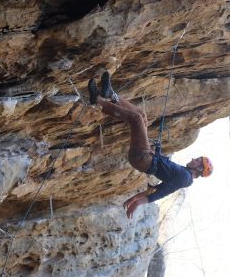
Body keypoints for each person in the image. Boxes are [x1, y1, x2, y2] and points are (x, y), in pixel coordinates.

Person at [88, 70, 213, 218]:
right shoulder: (183, 174)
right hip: (145, 158)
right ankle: (110, 94)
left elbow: (160, 193)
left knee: (136, 120)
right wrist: (134, 198)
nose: (194, 159)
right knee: (142, 116)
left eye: (198, 160)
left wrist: (138, 203)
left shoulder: (185, 178)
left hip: (144, 159)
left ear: (199, 168)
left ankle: (98, 100)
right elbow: (154, 189)